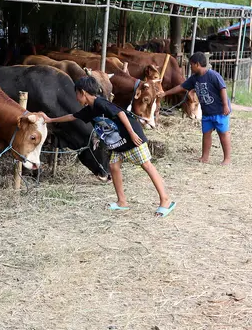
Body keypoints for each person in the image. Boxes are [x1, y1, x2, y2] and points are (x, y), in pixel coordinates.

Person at [42, 76, 176, 216]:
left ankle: (165, 199)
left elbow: (121, 113)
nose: (76, 98)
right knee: (113, 167)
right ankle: (122, 202)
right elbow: (72, 116)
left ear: (82, 92)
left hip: (131, 137)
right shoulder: (89, 109)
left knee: (147, 165)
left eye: (76, 94)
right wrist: (50, 120)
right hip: (117, 142)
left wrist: (131, 133)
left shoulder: (100, 103)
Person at [158, 51, 232, 165]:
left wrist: (225, 106)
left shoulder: (213, 75)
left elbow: (223, 89)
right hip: (207, 112)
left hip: (219, 111)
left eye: (191, 64)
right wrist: (165, 93)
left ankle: (227, 158)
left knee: (223, 133)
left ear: (197, 64)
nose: (190, 67)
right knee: (206, 134)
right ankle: (204, 157)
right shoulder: (194, 78)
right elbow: (181, 87)